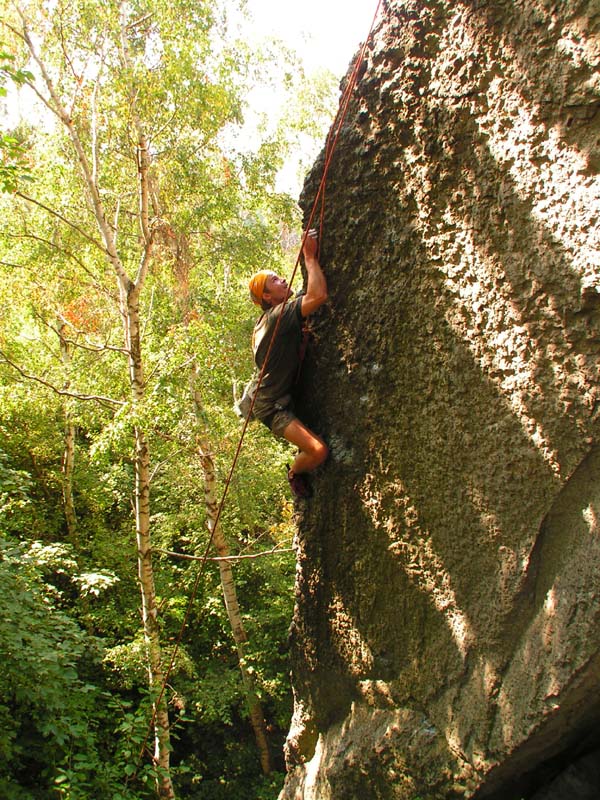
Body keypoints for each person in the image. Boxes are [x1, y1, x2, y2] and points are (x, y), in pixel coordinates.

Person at [247, 230, 329, 498]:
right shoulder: (276, 317)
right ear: (268, 297)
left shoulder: (268, 321)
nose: (283, 279)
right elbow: (317, 297)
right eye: (275, 280)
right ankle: (295, 471)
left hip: (275, 394)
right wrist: (309, 256)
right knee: (317, 450)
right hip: (270, 406)